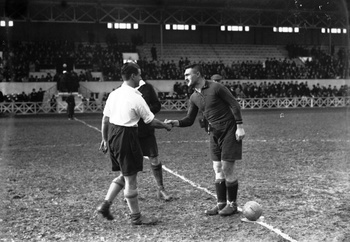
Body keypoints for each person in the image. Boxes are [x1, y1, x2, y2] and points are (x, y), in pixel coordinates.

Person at [97, 62, 172, 225]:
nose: (140, 78)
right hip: (127, 135)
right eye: (138, 75)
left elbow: (105, 119)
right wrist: (166, 126)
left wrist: (104, 139)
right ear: (132, 76)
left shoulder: (114, 94)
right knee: (131, 179)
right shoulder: (136, 97)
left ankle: (106, 204)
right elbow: (150, 120)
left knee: (124, 174)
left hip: (113, 135)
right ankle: (136, 217)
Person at [165, 64, 245, 216]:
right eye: (184, 76)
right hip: (213, 133)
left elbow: (234, 104)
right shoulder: (194, 96)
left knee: (227, 168)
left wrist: (239, 126)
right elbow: (189, 119)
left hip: (229, 130)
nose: (185, 78)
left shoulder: (217, 87)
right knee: (217, 168)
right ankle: (221, 203)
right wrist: (175, 123)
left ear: (198, 74)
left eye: (188, 75)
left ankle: (232, 204)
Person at [137, 79, 172, 201]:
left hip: (147, 128)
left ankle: (160, 189)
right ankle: (130, 191)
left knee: (155, 158)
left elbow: (157, 105)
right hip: (130, 130)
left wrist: (145, 111)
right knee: (131, 161)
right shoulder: (124, 89)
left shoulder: (147, 88)